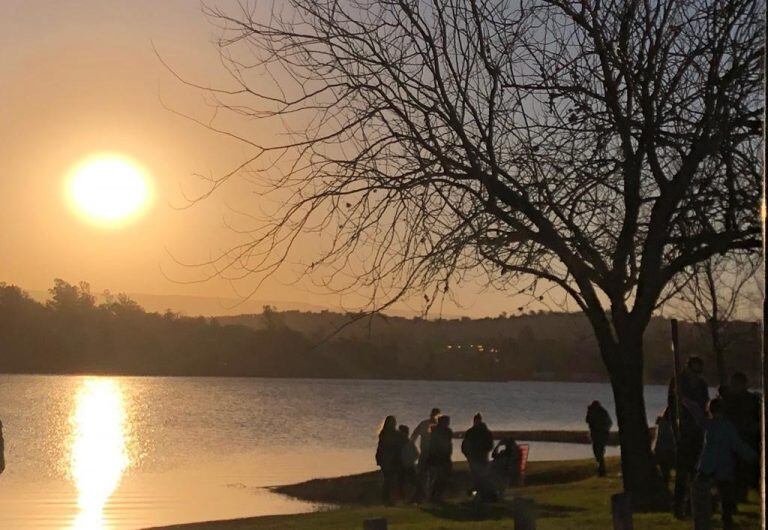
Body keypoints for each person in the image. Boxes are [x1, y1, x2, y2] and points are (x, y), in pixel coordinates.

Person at [691, 398, 757, 530]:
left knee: (701, 494)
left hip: (707, 465)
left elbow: (698, 416)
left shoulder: (709, 424)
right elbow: (738, 445)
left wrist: (689, 403)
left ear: (710, 410)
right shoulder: (728, 427)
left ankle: (703, 520)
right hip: (724, 466)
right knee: (726, 496)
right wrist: (753, 455)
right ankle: (727, 521)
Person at [668, 356, 709, 519]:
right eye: (694, 370)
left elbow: (705, 407)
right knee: (682, 471)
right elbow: (672, 407)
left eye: (699, 371)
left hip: (697, 431)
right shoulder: (678, 382)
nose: (696, 374)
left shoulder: (702, 385)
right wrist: (675, 429)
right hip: (683, 431)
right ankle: (678, 507)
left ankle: (693, 506)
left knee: (695, 470)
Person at [723, 371, 761, 503]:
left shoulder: (752, 400)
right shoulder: (727, 399)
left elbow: (757, 419)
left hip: (747, 438)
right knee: (734, 470)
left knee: (746, 469)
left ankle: (742, 494)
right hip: (733, 439)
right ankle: (735, 497)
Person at [410, 407, 441, 502]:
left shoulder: (426, 424)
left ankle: (422, 496)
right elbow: (414, 436)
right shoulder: (436, 425)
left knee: (425, 475)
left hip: (429, 453)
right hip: (429, 453)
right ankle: (424, 496)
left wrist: (411, 446)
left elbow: (414, 435)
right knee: (428, 475)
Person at [461, 413, 494, 500]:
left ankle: (478, 494)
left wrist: (482, 451)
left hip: (482, 458)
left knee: (481, 476)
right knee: (477, 476)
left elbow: (490, 445)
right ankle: (478, 494)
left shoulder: (485, 433)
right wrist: (467, 455)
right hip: (474, 458)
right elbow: (464, 445)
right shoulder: (471, 432)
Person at [375, 415, 404, 505]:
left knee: (390, 480)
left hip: (391, 460)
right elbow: (382, 448)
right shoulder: (386, 434)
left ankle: (389, 499)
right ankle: (388, 500)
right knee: (389, 480)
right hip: (388, 460)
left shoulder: (387, 434)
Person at [427, 415, 453, 502]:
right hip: (440, 458)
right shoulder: (444, 432)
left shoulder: (436, 432)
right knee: (439, 478)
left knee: (439, 479)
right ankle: (435, 496)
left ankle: (435, 496)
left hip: (439, 458)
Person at [585, 400, 612, 476]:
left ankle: (601, 470)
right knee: (598, 452)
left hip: (599, 435)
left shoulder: (602, 413)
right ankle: (601, 469)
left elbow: (608, 423)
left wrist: (603, 430)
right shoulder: (600, 412)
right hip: (597, 435)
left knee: (599, 452)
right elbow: (587, 420)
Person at [653, 407, 676, 487]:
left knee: (665, 472)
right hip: (665, 451)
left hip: (662, 450)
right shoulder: (666, 424)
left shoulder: (662, 423)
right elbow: (668, 439)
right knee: (666, 472)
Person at [398, 424, 418, 500]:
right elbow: (416, 454)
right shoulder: (407, 443)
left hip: (408, 466)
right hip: (403, 466)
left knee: (412, 483)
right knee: (402, 483)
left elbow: (416, 454)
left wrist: (410, 460)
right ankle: (405, 499)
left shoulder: (409, 443)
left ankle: (411, 498)